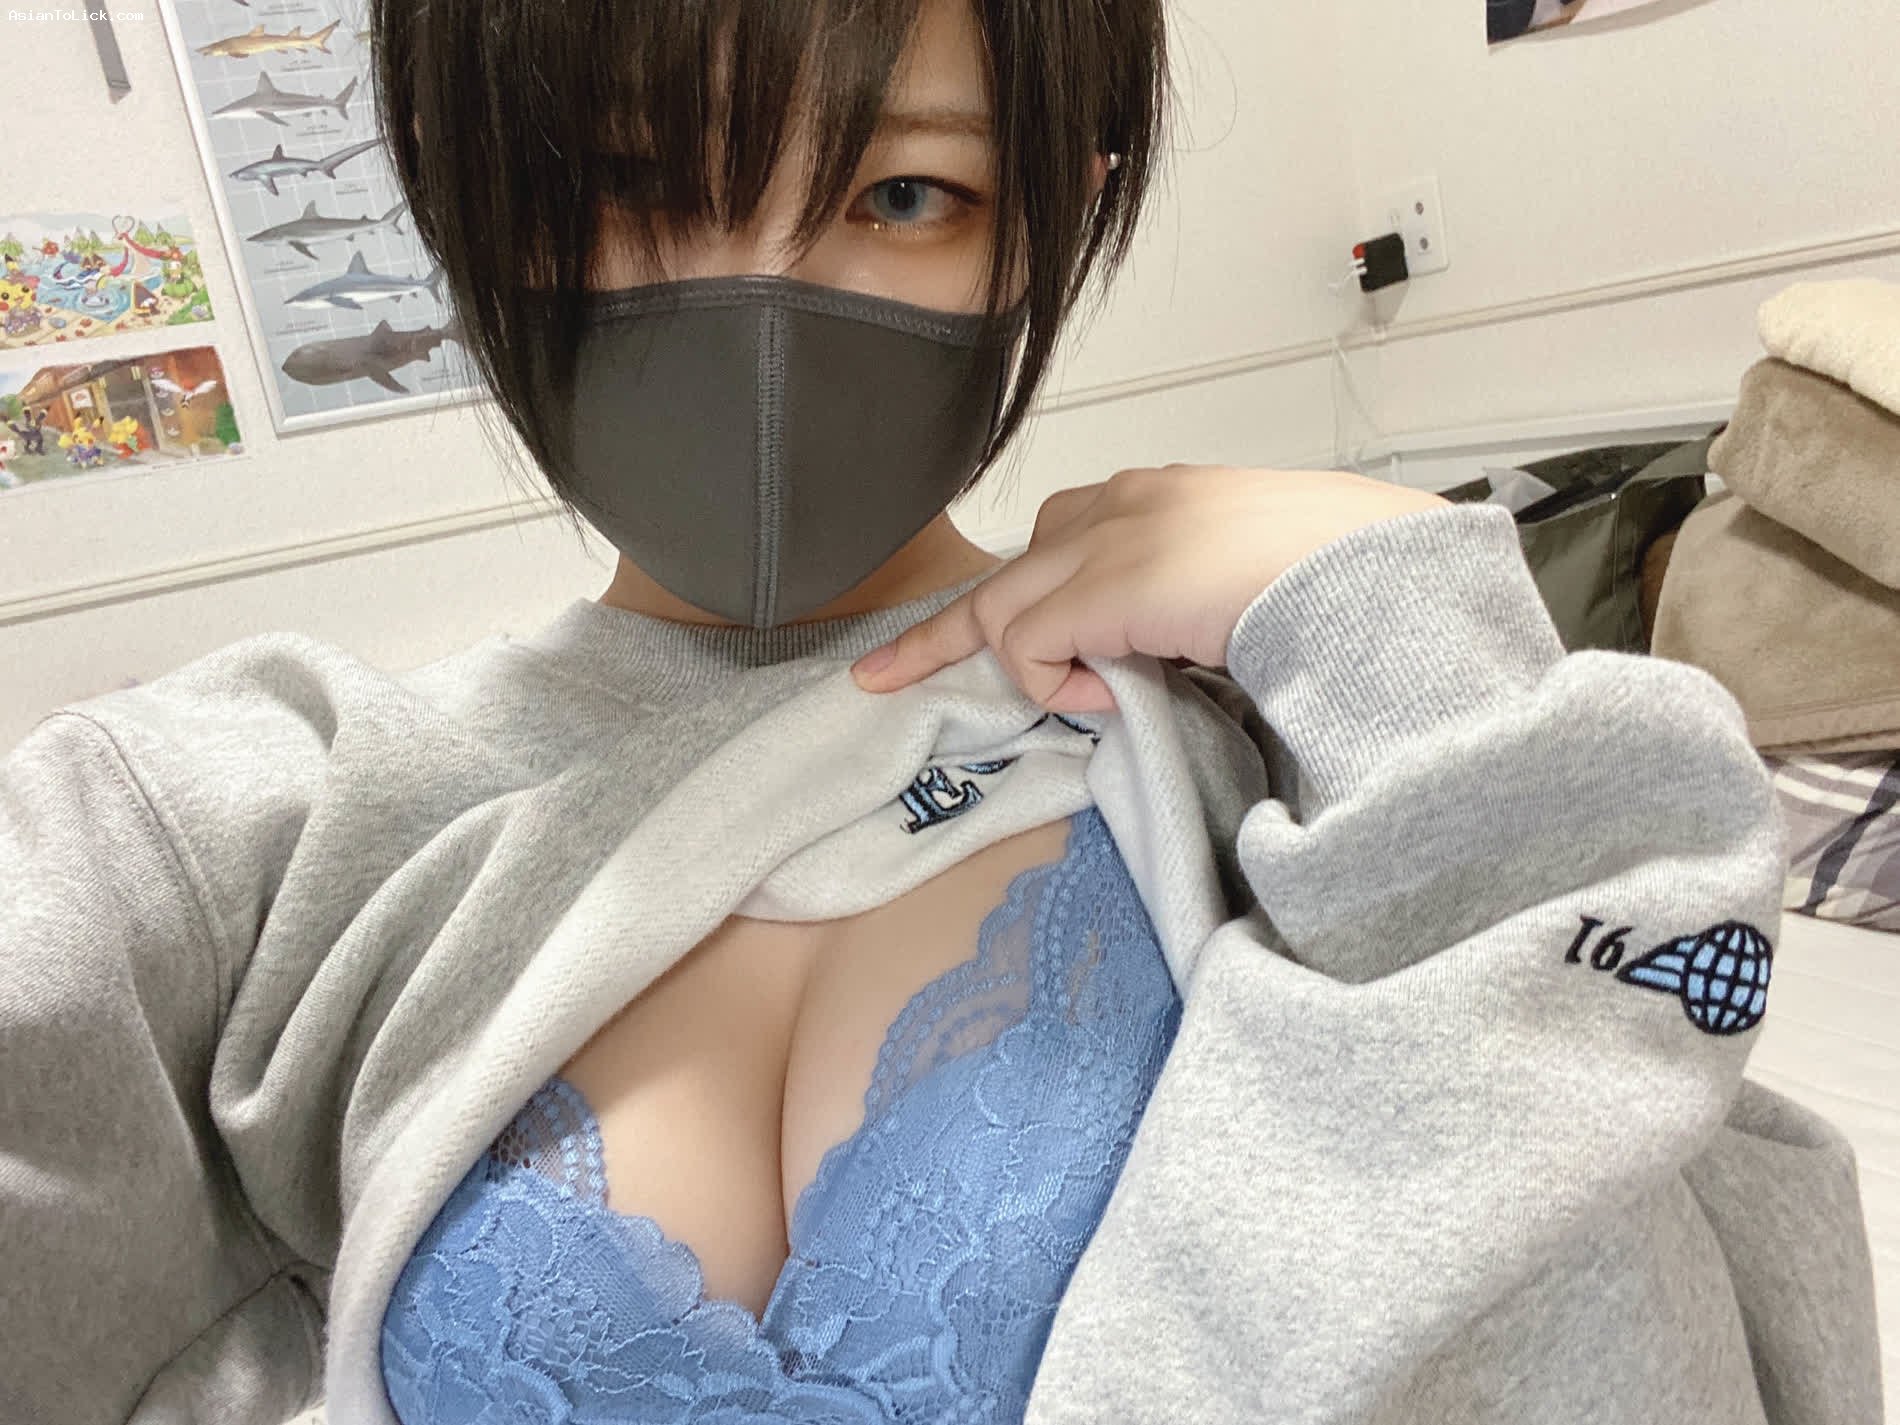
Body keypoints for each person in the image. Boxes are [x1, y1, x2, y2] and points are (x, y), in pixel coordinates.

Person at [0, 1, 1882, 1423]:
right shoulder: (252, 819)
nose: (757, 307)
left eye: (903, 193)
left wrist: (1382, 610)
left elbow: (1632, 1322)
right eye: (631, 184)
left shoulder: (1267, 748)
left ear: (1051, 211)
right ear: (474, 193)